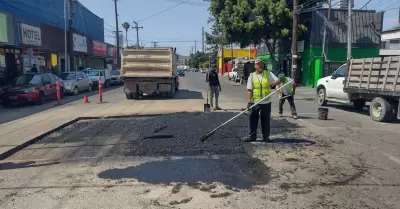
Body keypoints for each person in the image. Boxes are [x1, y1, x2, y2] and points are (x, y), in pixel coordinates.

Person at [243, 59, 280, 142]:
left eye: (262, 64)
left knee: (266, 120)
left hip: (266, 101)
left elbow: (278, 81)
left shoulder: (268, 73)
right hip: (255, 102)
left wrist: (274, 83)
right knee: (252, 119)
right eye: (258, 64)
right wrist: (249, 102)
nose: (260, 66)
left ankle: (266, 137)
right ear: (255, 66)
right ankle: (252, 136)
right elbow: (250, 90)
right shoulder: (251, 76)